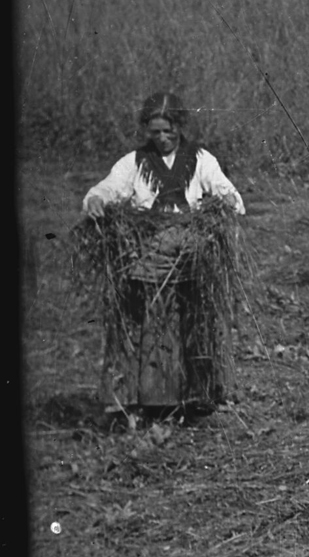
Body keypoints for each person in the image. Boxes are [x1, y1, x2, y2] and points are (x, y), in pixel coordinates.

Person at [81, 91, 246, 417]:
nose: (163, 138)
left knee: (193, 325)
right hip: (144, 258)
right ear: (146, 130)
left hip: (190, 257)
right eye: (155, 132)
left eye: (169, 131)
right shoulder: (133, 162)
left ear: (180, 127)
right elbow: (107, 188)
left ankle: (195, 397)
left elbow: (229, 194)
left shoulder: (201, 160)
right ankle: (143, 400)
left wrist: (225, 202)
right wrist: (97, 200)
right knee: (147, 326)